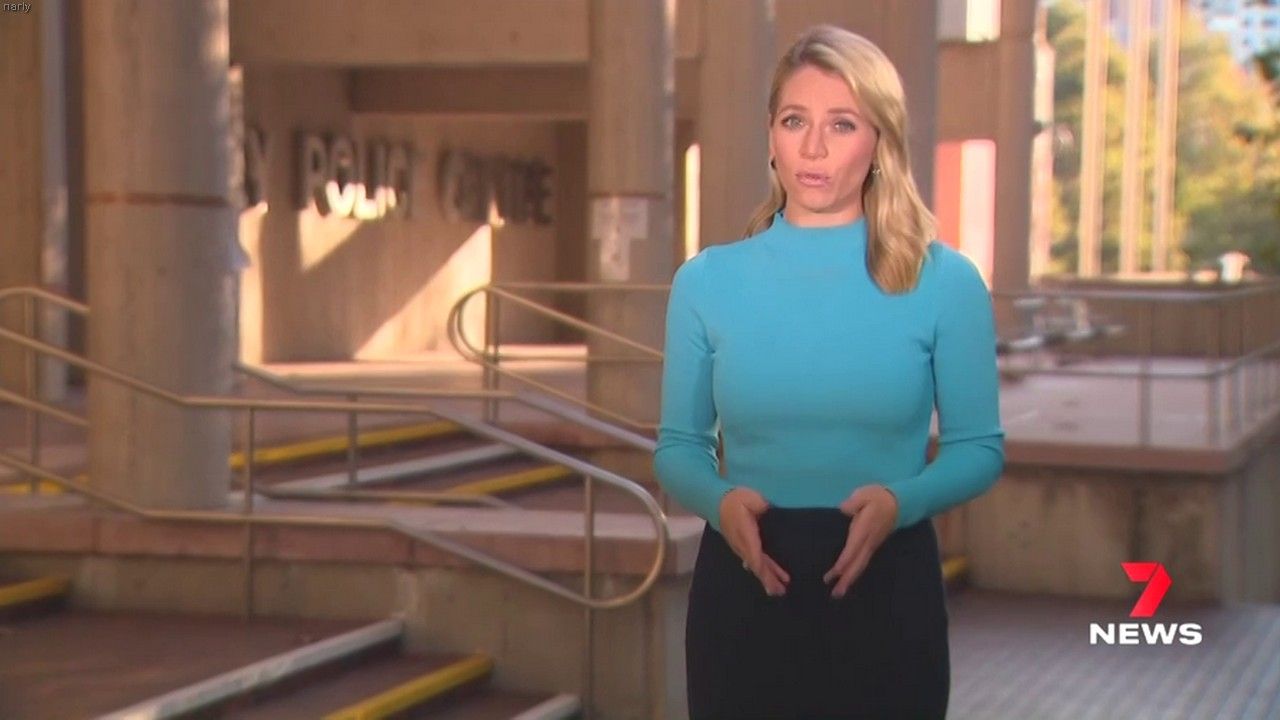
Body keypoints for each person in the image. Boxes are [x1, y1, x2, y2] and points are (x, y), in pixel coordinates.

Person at [653, 25, 1005, 720]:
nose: (813, 148)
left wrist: (901, 502)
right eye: (795, 121)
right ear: (771, 136)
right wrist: (721, 505)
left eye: (841, 124)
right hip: (745, 591)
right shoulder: (706, 281)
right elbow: (679, 447)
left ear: (879, 142)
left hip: (888, 591)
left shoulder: (945, 281)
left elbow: (979, 449)